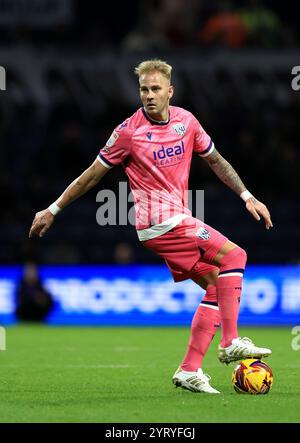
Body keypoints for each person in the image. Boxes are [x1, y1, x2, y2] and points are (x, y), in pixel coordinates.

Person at [29, 59, 273, 394]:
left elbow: (216, 160)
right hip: (160, 221)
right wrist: (54, 208)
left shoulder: (186, 122)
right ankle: (230, 343)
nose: (149, 95)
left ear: (170, 91)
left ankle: (189, 370)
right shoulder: (128, 132)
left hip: (172, 222)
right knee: (235, 256)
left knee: (217, 283)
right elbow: (92, 175)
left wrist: (247, 195)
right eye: (144, 89)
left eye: (156, 89)